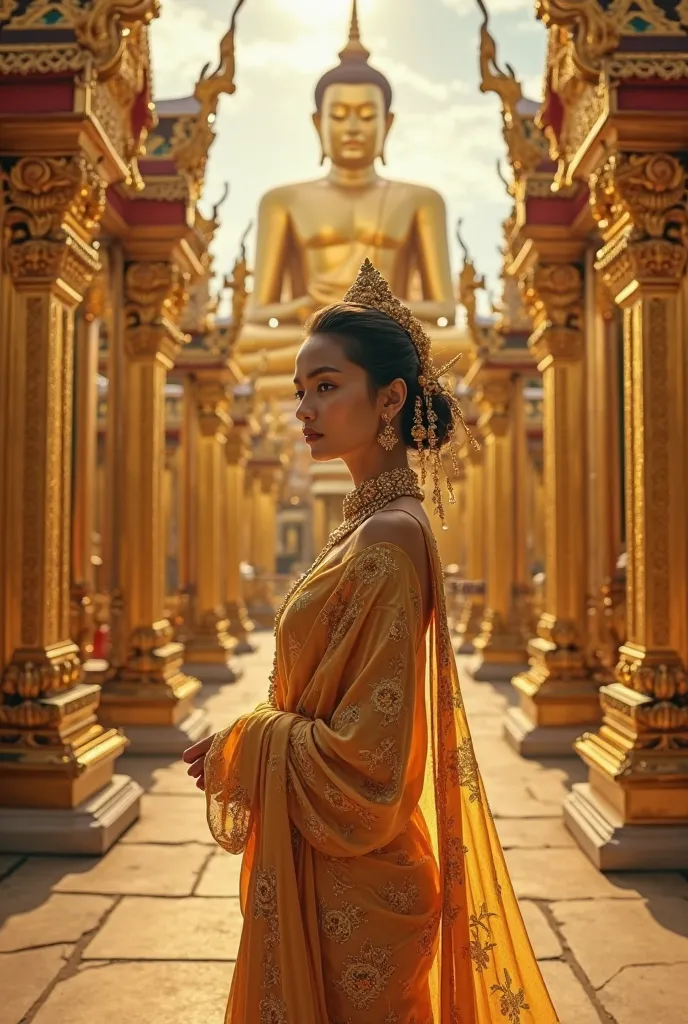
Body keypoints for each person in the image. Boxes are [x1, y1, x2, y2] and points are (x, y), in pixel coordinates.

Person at [183, 260, 559, 1023]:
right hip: (335, 876)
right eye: (299, 391)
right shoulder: (368, 525)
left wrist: (245, 742)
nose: (304, 410)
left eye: (327, 386)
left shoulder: (386, 537)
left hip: (353, 892)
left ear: (390, 398)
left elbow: (371, 769)